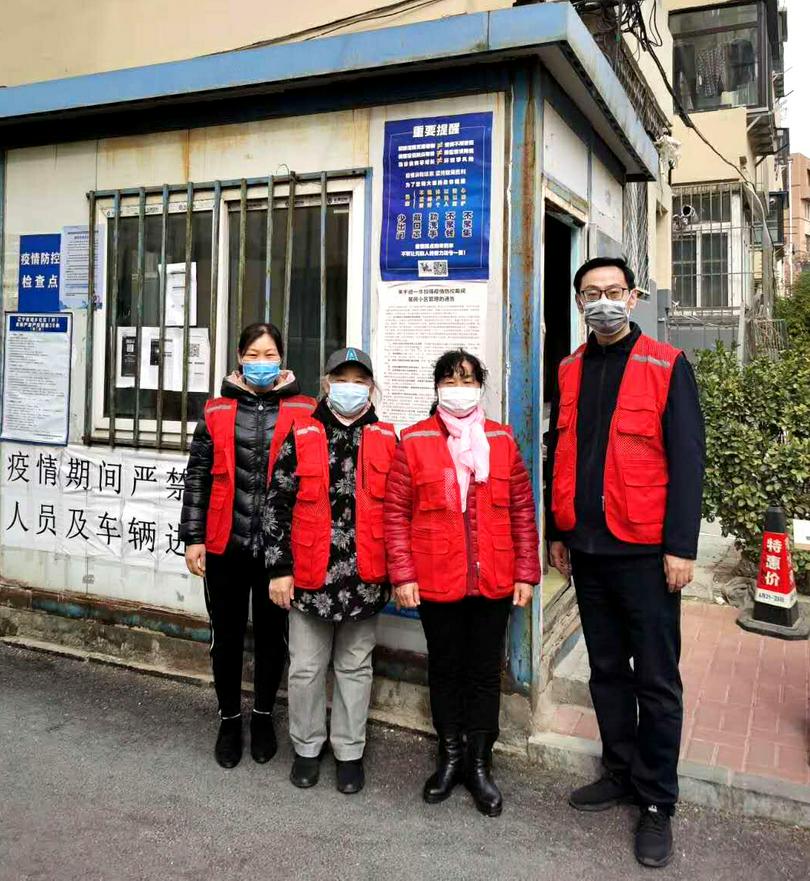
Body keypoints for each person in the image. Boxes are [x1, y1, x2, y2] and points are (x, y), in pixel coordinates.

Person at [546, 257, 705, 868]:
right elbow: (562, 450)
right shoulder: (570, 368)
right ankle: (619, 769)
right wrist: (560, 531)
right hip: (587, 549)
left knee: (656, 679)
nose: (603, 302)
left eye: (613, 291)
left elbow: (688, 461)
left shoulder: (665, 365)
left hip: (646, 552)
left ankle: (657, 800)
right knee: (607, 669)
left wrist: (681, 548)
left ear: (633, 297)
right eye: (591, 293)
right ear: (578, 300)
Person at [384, 350, 540, 817]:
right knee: (446, 669)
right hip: (436, 577)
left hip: (493, 577)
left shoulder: (502, 439)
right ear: (436, 387)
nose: (459, 387)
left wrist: (526, 573)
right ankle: (449, 758)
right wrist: (404, 574)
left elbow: (521, 511)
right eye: (451, 379)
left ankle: (479, 764)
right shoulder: (413, 440)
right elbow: (394, 514)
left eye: (468, 379)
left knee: (482, 674)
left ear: (481, 387)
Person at [180, 322, 316, 769]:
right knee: (227, 638)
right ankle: (229, 718)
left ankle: (262, 716)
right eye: (253, 354)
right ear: (239, 357)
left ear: (283, 358)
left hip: (278, 552)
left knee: (274, 638)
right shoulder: (217, 410)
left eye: (269, 353)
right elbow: (198, 474)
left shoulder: (305, 409)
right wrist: (193, 537)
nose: (261, 362)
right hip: (224, 545)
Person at [264, 347, 395, 795]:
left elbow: (398, 511)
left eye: (360, 380)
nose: (350, 387)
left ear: (371, 388)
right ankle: (305, 747)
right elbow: (276, 503)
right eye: (342, 377)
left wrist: (398, 571)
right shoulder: (301, 432)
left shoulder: (387, 438)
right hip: (309, 575)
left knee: (355, 667)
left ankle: (349, 752)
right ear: (326, 383)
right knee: (305, 668)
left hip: (365, 577)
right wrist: (279, 569)